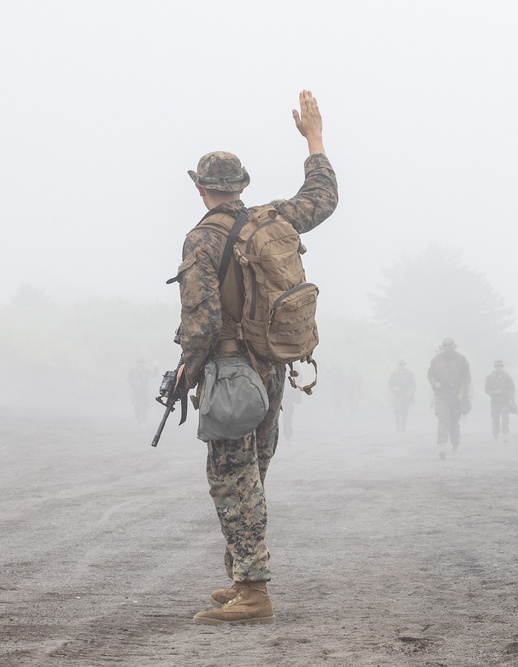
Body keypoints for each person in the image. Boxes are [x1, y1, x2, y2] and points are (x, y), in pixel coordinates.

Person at [172, 90, 338, 625]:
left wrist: (186, 371)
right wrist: (313, 138)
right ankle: (242, 571)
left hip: (228, 370)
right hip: (272, 364)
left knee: (230, 474)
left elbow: (201, 323)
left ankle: (252, 589)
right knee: (254, 469)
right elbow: (322, 198)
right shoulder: (273, 218)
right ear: (240, 187)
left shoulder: (201, 239)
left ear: (200, 189)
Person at [427, 338, 471, 460]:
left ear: (454, 348)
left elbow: (467, 378)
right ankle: (442, 446)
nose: (448, 352)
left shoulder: (462, 360)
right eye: (446, 350)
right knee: (443, 419)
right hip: (441, 395)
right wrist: (435, 383)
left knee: (454, 423)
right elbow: (430, 374)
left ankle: (455, 447)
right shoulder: (436, 359)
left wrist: (464, 393)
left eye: (450, 350)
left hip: (456, 396)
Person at [484, 360, 516, 441]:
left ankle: (505, 434)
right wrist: (493, 392)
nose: (499, 368)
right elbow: (486, 389)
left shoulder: (507, 377)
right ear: (495, 367)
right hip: (495, 401)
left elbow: (511, 388)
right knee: (495, 418)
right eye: (497, 366)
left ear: (502, 367)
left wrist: (511, 399)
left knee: (505, 417)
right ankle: (496, 434)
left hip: (505, 400)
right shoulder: (490, 377)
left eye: (500, 366)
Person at [388, 360, 416, 432]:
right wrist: (394, 388)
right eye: (400, 365)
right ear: (398, 366)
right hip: (397, 395)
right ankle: (398, 424)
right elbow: (390, 384)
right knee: (397, 410)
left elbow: (413, 384)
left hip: (406, 395)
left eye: (403, 365)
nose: (401, 366)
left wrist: (411, 391)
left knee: (405, 411)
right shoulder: (394, 374)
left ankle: (403, 425)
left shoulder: (409, 373)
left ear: (404, 366)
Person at [127, 358, 153, 426]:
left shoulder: (146, 371)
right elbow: (129, 379)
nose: (141, 364)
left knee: (144, 405)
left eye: (142, 363)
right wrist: (134, 383)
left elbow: (154, 375)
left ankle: (143, 419)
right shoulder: (133, 371)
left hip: (144, 391)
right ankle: (138, 418)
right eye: (139, 363)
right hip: (136, 391)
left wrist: (156, 367)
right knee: (137, 405)